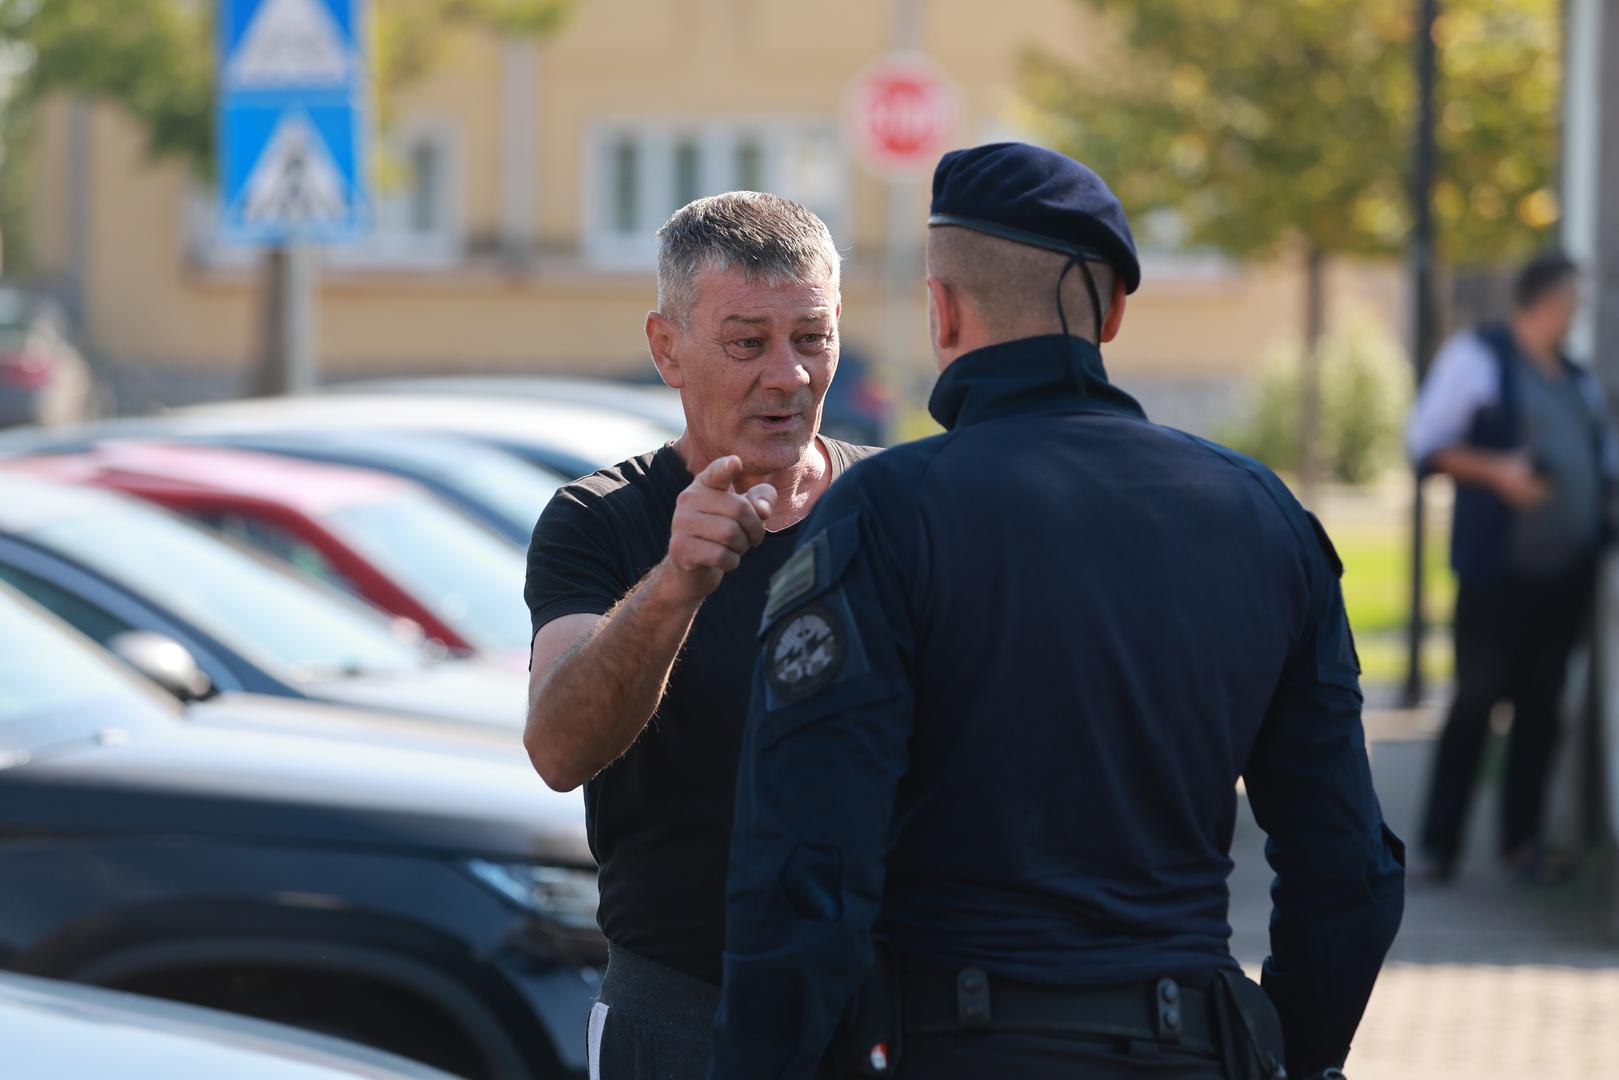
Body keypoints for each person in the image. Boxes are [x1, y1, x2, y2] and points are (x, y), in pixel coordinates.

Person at [709, 143, 1405, 1080]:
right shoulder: (1258, 514)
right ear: (1112, 315)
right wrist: (1291, 1050)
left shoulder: (889, 512)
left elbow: (805, 867)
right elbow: (1347, 869)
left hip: (953, 1045)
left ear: (941, 308)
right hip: (1187, 1044)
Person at [522, 191, 879, 1080]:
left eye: (810, 337)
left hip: (884, 1001)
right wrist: (676, 583)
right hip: (684, 1010)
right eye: (747, 343)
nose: (788, 376)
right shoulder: (597, 521)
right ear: (666, 348)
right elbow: (559, 748)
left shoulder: (899, 508)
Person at [1408, 253, 1618, 886]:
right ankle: (1437, 847)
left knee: (1543, 707)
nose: (1581, 310)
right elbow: (1427, 445)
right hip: (1497, 573)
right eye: (1575, 298)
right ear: (1548, 300)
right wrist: (1499, 472)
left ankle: (1521, 844)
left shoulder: (1575, 378)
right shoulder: (1478, 357)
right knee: (1474, 702)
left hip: (1565, 575)